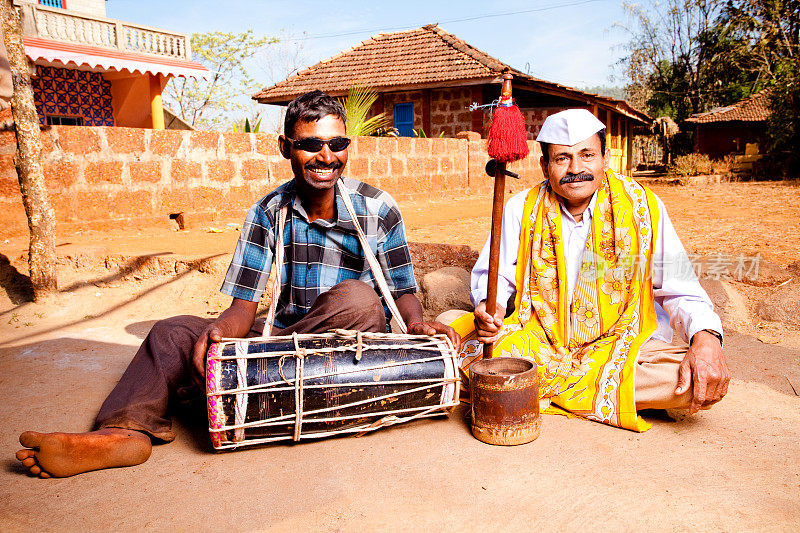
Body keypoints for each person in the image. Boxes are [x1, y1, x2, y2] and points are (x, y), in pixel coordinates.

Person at [16, 90, 459, 478]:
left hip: (349, 341)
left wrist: (417, 323)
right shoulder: (267, 210)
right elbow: (244, 305)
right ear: (286, 147)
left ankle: (212, 385)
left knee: (359, 297)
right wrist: (222, 333)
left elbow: (401, 289)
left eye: (336, 144)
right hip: (282, 335)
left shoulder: (378, 208)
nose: (326, 156)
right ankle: (124, 431)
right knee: (171, 333)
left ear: (349, 147)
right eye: (310, 145)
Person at [448, 108, 729, 431]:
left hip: (618, 342)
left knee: (689, 378)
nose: (576, 169)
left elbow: (679, 285)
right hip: (538, 340)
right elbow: (496, 278)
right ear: (544, 165)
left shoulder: (643, 207)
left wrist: (706, 338)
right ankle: (600, 394)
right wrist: (490, 307)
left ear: (605, 158)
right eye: (562, 158)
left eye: (587, 155)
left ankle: (527, 388)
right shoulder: (521, 208)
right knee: (450, 335)